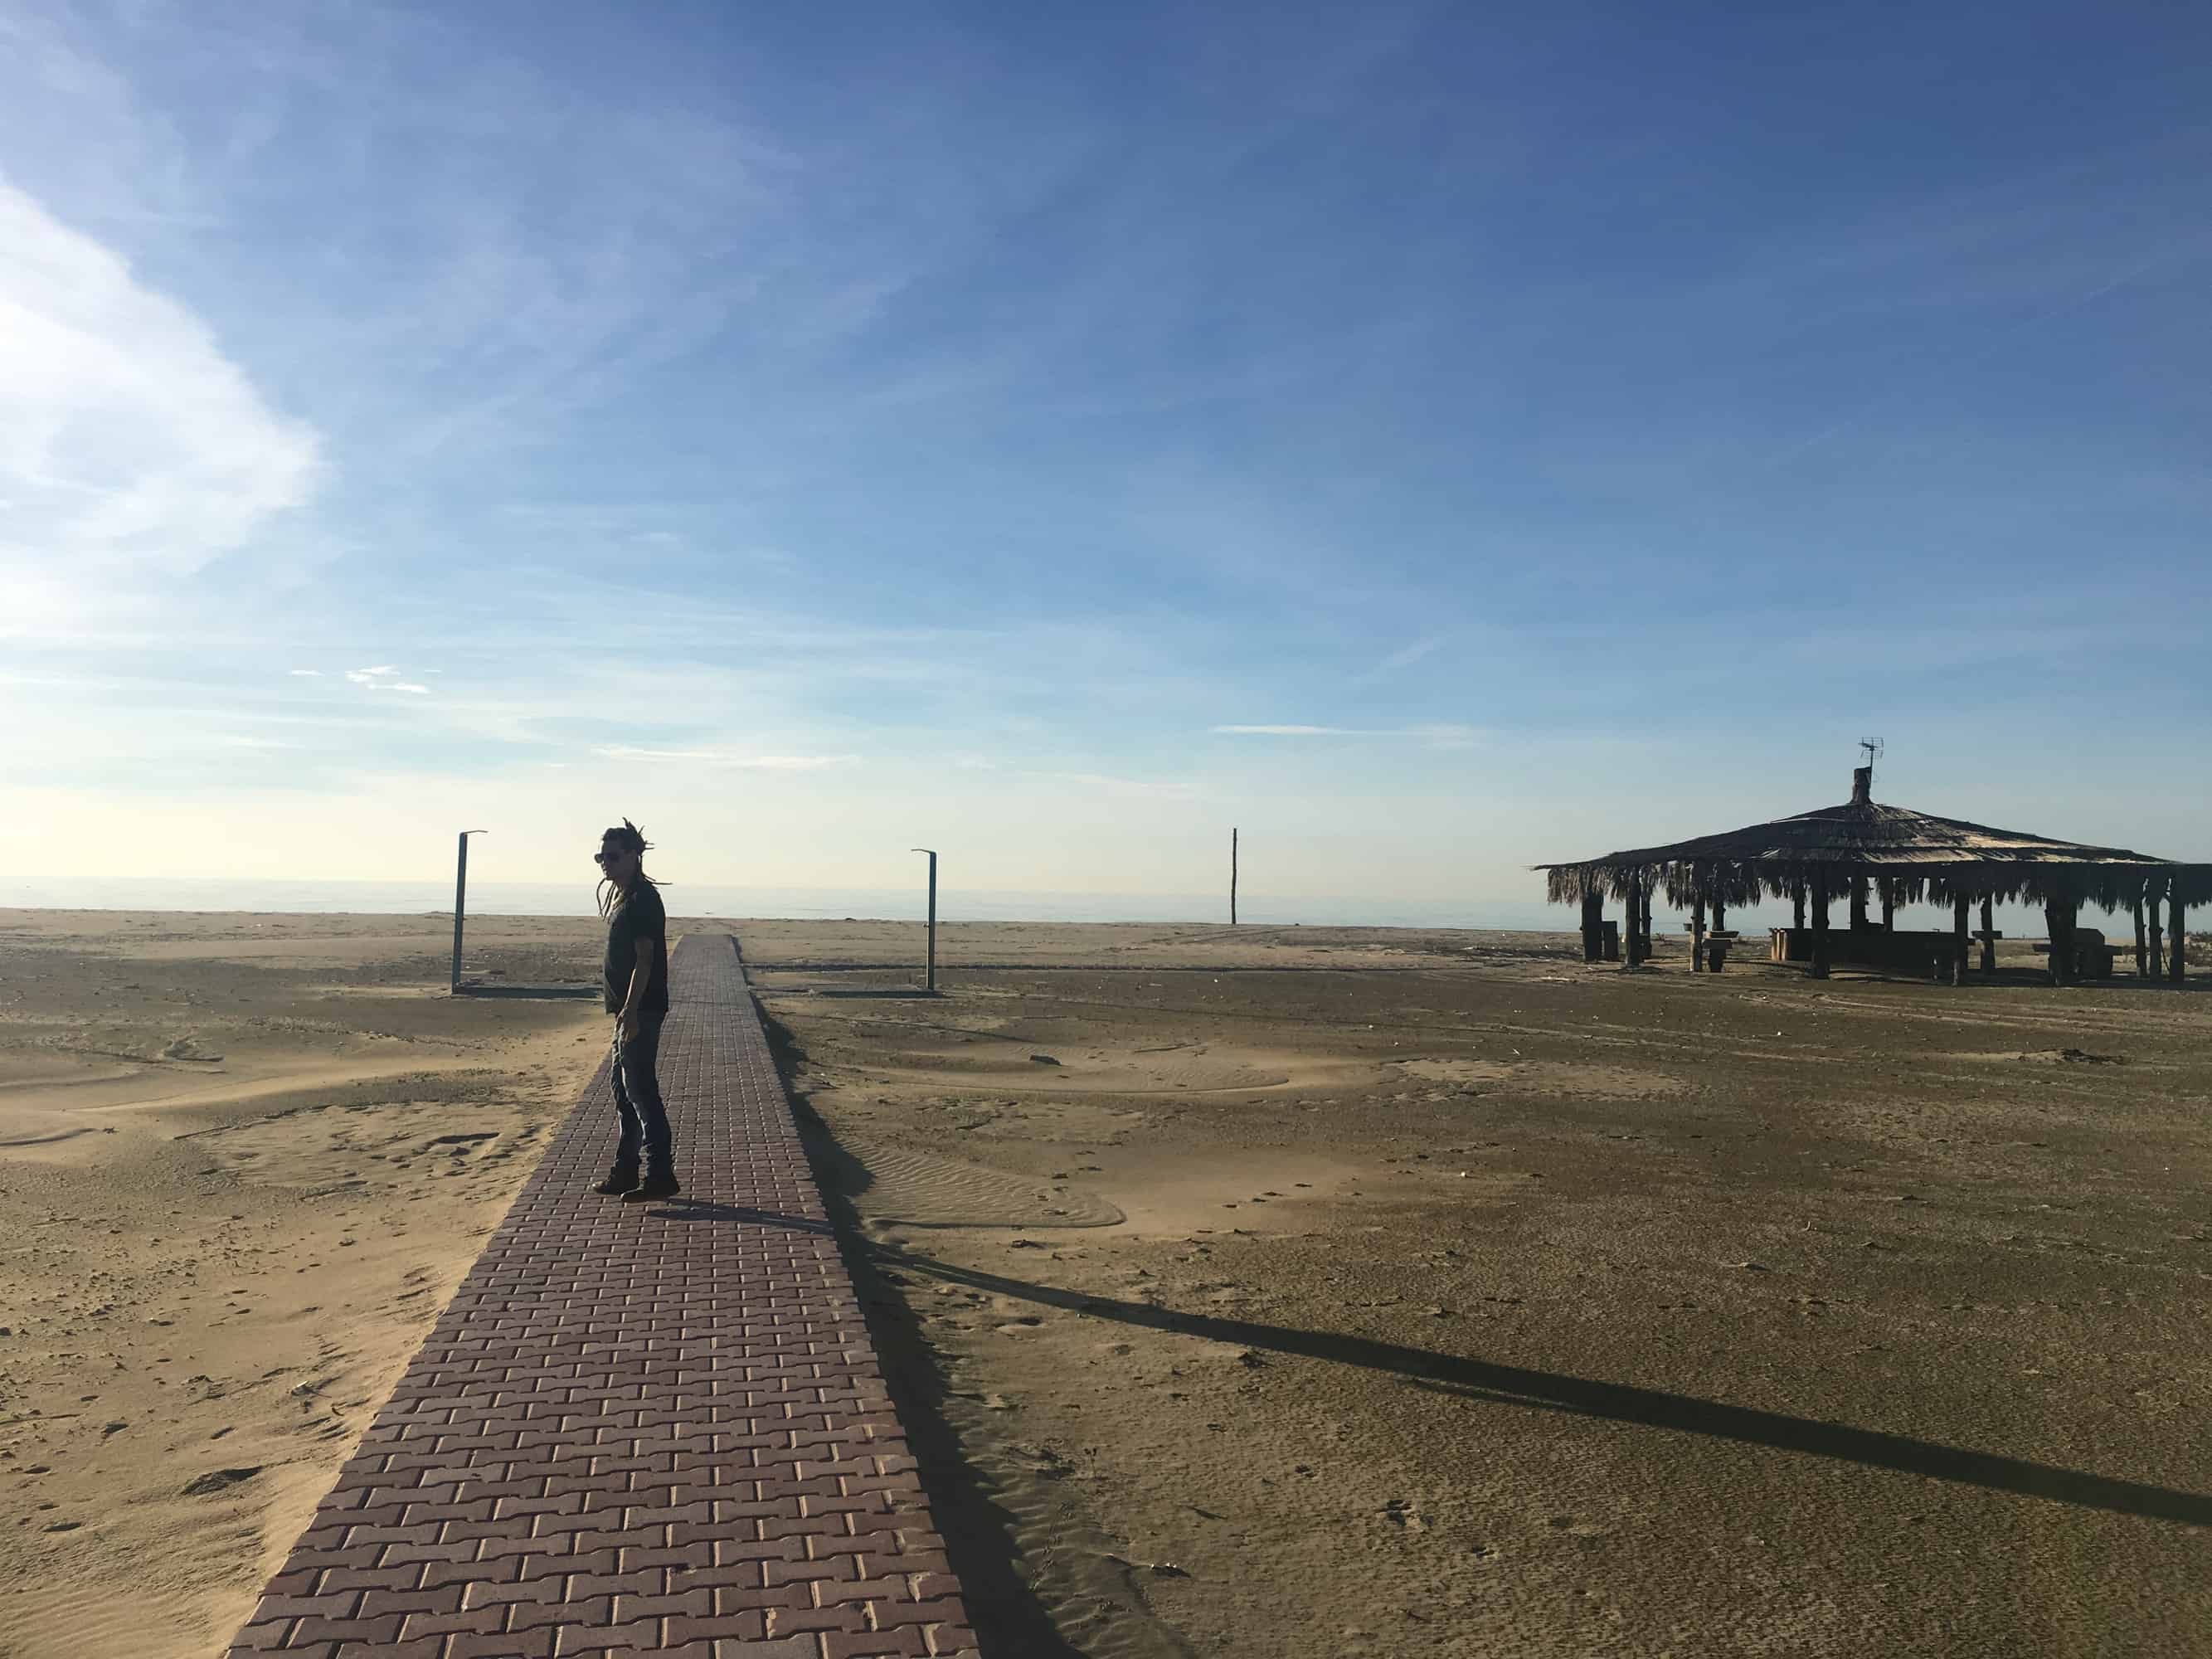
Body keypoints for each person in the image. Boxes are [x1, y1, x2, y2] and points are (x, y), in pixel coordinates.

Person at [592, 819, 677, 1199]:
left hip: (639, 1011)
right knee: (623, 1091)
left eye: (612, 857)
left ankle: (660, 1174)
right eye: (600, 857)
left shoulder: (643, 899)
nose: (605, 864)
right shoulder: (626, 897)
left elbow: (645, 959)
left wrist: (629, 1010)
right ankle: (626, 1170)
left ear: (633, 856)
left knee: (641, 1090)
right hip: (627, 1012)